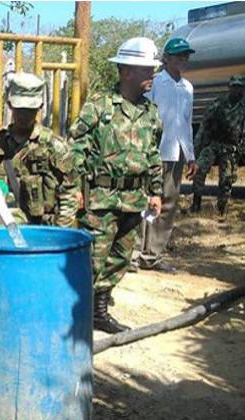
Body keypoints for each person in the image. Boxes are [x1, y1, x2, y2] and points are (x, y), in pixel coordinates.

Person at [68, 37, 164, 334]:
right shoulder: (100, 105)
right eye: (146, 69)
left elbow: (153, 153)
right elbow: (76, 147)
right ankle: (76, 313)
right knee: (93, 259)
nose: (152, 75)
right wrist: (75, 188)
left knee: (120, 257)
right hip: (101, 197)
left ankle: (98, 310)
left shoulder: (151, 112)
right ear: (126, 71)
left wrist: (156, 191)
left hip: (133, 197)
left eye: (152, 69)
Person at [0, 73, 80, 227]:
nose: (24, 116)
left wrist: (58, 233)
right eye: (20, 109)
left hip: (39, 232)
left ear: (40, 107)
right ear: (10, 105)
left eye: (29, 110)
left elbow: (70, 192)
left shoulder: (54, 148)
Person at [135, 37, 198, 274]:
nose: (183, 59)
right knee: (147, 201)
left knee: (169, 204)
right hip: (155, 151)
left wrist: (191, 156)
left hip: (177, 152)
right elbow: (144, 116)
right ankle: (136, 253)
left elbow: (187, 123)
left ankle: (153, 254)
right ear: (167, 58)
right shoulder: (156, 83)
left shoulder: (188, 88)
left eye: (186, 56)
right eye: (179, 55)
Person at [190, 75, 245, 220]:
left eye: (240, 87)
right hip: (214, 144)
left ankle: (221, 209)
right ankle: (196, 203)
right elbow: (204, 125)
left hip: (231, 147)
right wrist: (197, 148)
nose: (237, 90)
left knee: (226, 179)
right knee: (199, 169)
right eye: (234, 87)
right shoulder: (218, 103)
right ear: (229, 87)